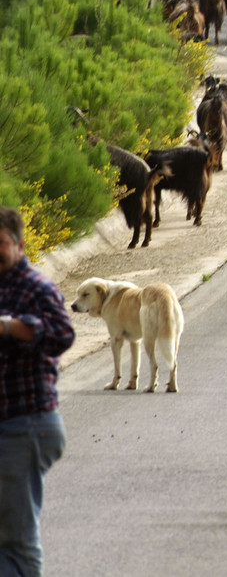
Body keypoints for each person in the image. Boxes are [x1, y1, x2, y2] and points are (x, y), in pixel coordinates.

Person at [0, 206, 73, 577]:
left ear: (19, 244)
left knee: (17, 544)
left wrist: (11, 326)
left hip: (26, 425)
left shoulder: (37, 287)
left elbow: (62, 335)